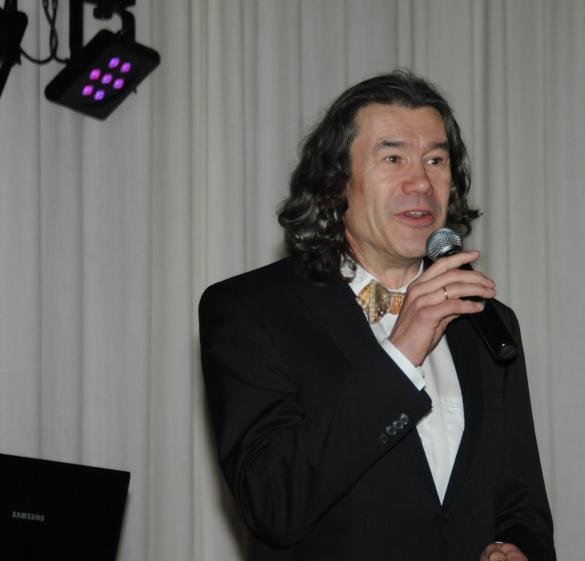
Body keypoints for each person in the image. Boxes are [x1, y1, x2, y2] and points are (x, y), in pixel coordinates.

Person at [199, 70, 556, 561]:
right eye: (392, 157)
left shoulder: (485, 320)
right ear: (335, 184)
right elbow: (272, 504)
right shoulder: (251, 310)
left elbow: (521, 501)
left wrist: (520, 548)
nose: (421, 182)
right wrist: (401, 354)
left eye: (436, 160)